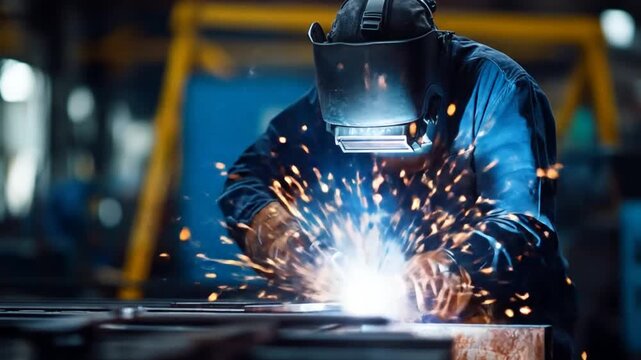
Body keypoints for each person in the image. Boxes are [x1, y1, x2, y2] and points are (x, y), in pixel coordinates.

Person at [219, 0, 576, 357]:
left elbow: (525, 222)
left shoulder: (498, 92)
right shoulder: (337, 96)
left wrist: (454, 266)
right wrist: (279, 235)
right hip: (388, 336)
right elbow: (245, 180)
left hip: (505, 332)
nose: (385, 163)